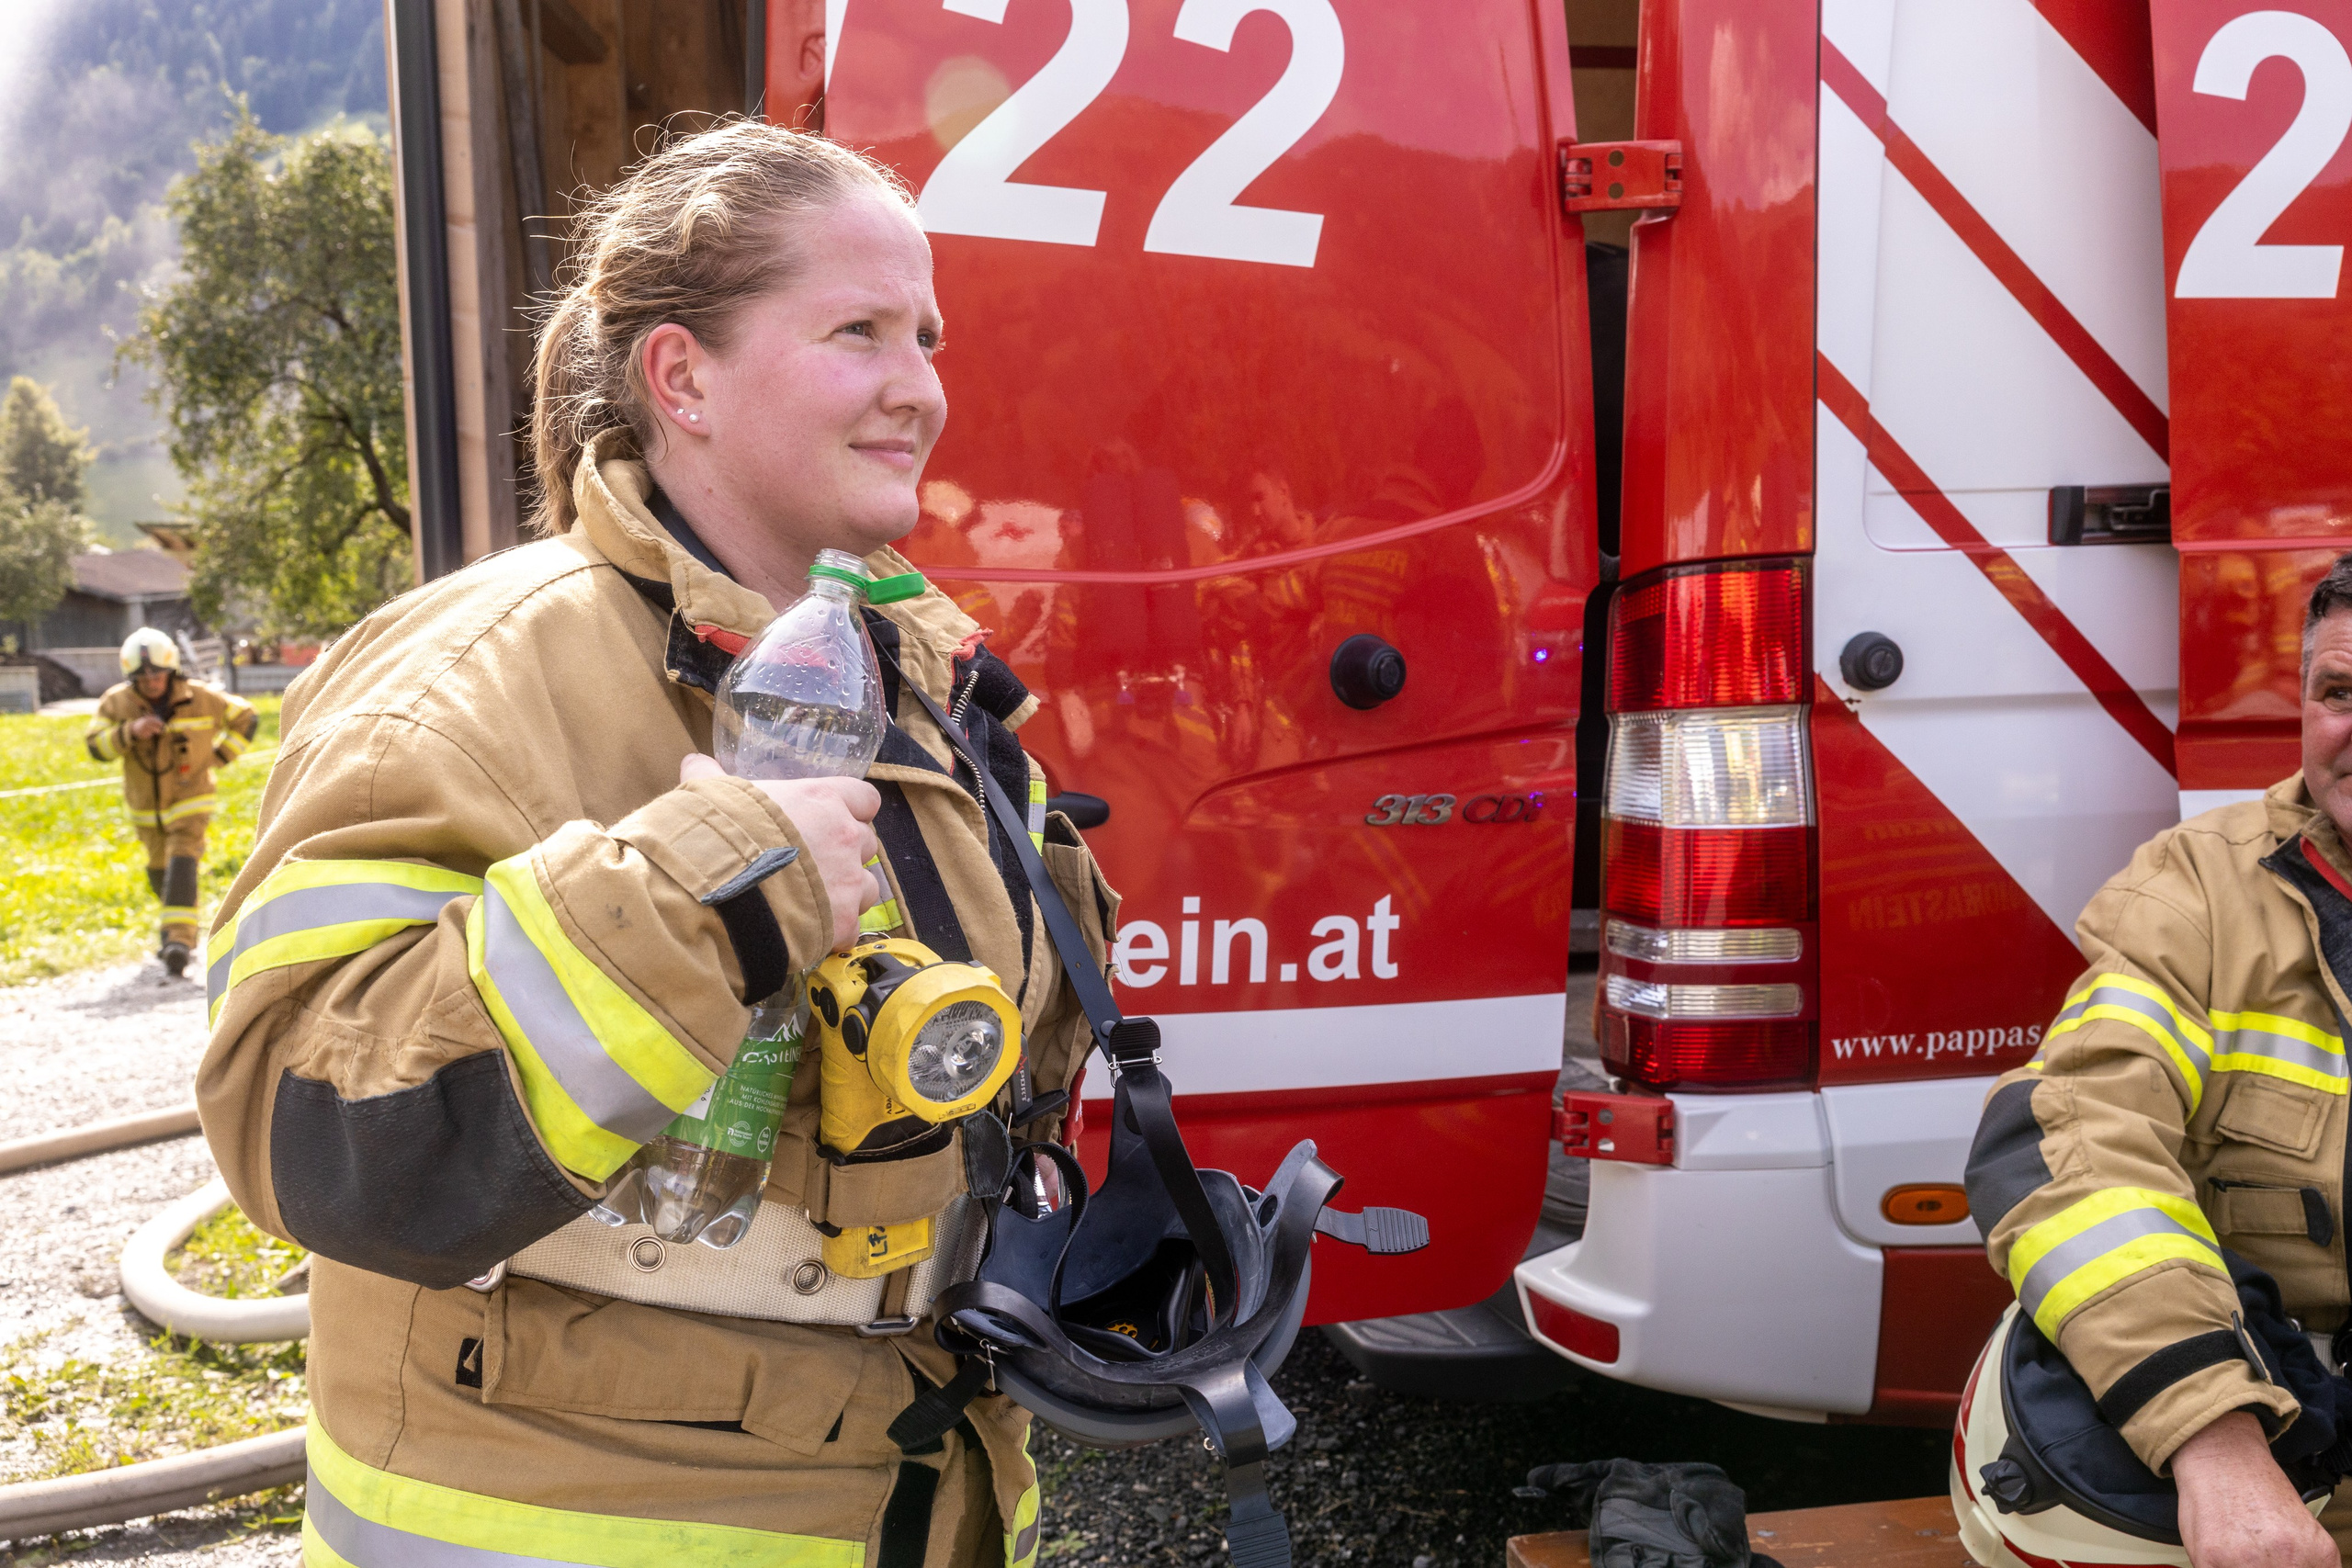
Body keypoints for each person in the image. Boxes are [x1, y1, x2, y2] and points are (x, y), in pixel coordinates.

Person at [198, 122, 1114, 1567]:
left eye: (928, 336)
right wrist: (712, 885)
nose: (919, 389)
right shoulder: (481, 664)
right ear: (681, 377)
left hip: (901, 1492)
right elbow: (306, 1124)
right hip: (578, 1518)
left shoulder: (906, 674)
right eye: (859, 331)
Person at [1963, 551, 2352, 1568]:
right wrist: (2210, 1440)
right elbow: (2069, 1139)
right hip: (2276, 1435)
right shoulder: (2200, 890)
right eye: (2337, 693)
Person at [85, 626, 257, 976]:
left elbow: (247, 718)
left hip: (191, 801)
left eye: (157, 674)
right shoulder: (116, 702)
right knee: (159, 871)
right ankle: (177, 928)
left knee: (182, 863)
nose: (151, 682)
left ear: (171, 670)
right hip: (145, 809)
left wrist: (219, 757)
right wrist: (128, 732)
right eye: (142, 677)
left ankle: (177, 942)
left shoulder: (201, 697)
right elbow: (94, 746)